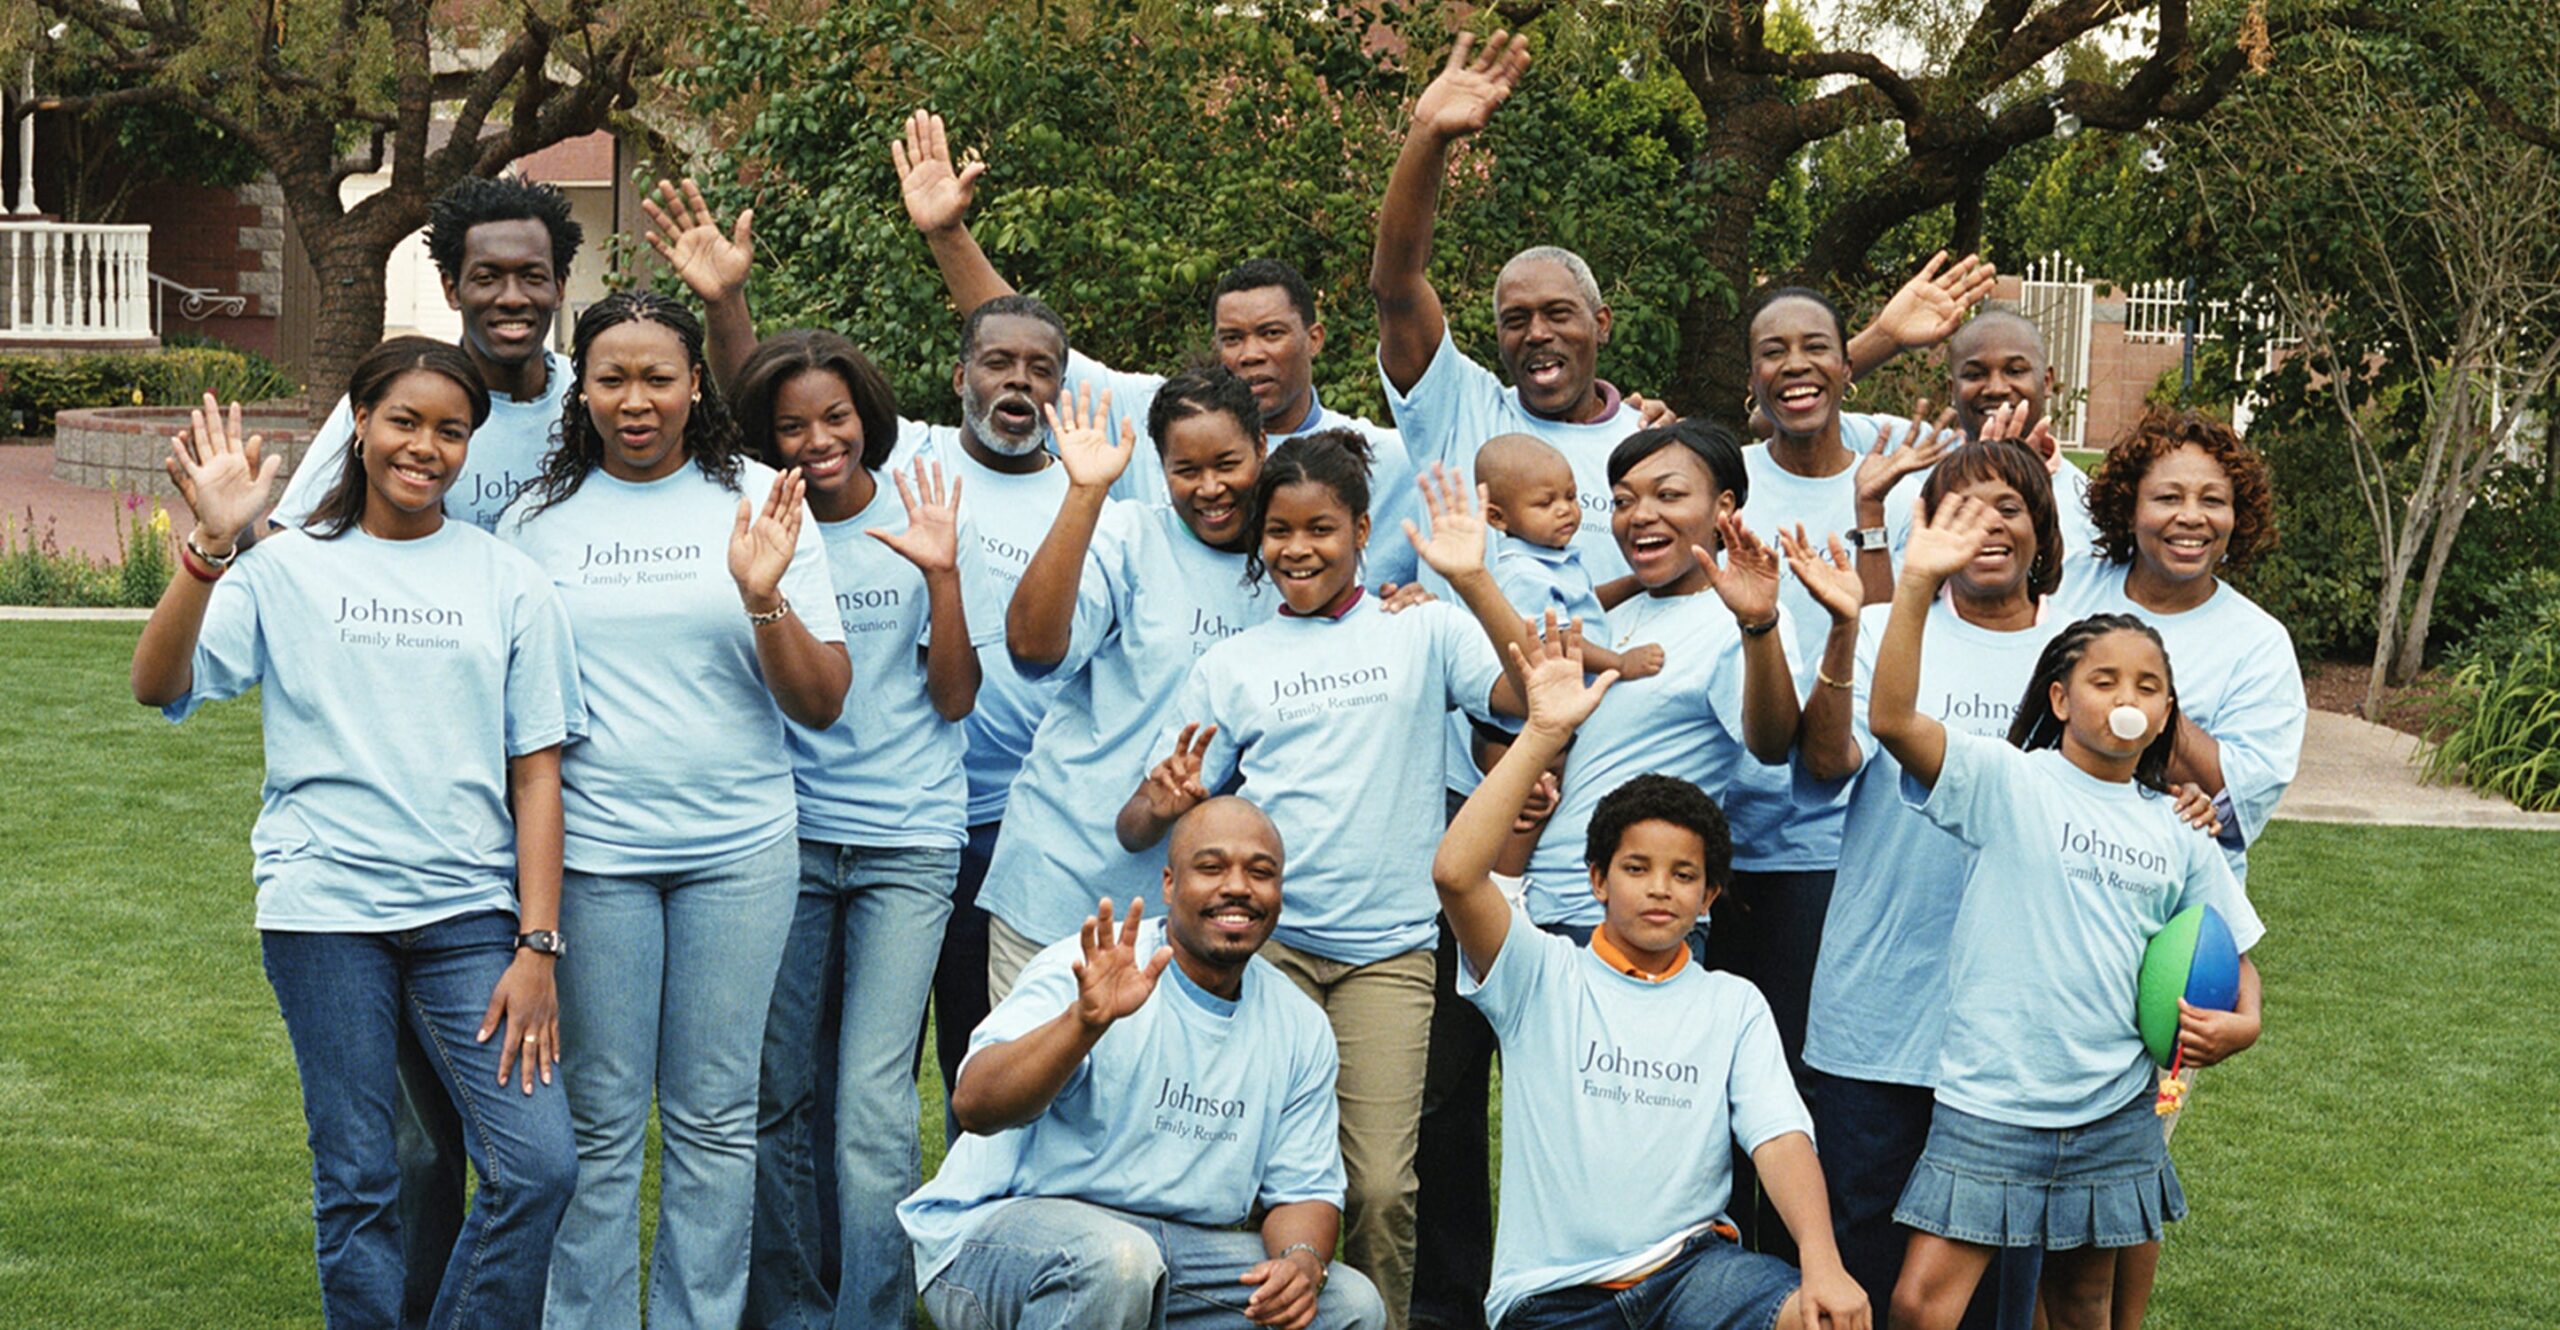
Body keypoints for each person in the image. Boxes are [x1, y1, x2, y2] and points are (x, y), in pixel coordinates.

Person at [130, 343, 582, 1329]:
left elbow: (537, 774)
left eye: (450, 429)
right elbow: (157, 684)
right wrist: (211, 549)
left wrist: (537, 943)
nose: (425, 446)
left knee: (539, 1165)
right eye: (405, 421)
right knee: (361, 1178)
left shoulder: (510, 580)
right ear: (362, 424)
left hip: (470, 916)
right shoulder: (284, 565)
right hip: (324, 913)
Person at [643, 179, 1081, 1099]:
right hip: (814, 822)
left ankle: (962, 1235)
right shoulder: (912, 461)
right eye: (996, 365)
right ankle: (818, 1250)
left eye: (1040, 370)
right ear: (960, 379)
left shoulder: (1094, 479)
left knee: (966, 1056)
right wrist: (725, 303)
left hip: (993, 819)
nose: (1018, 383)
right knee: (799, 1076)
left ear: (1063, 386)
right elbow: (779, 407)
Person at [1114, 440, 1537, 1326]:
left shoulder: (1420, 627)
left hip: (1388, 957)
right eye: (1279, 531)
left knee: (1380, 1185)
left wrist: (1472, 579)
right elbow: (1142, 822)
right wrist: (1159, 806)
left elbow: (1533, 693)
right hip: (1267, 958)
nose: (1297, 548)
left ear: (1361, 532)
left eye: (1320, 528)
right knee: (1239, 1175)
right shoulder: (1234, 662)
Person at [497, 290, 852, 1330]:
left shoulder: (761, 500)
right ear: (583, 387)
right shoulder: (535, 523)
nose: (635, 400)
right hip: (595, 859)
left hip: (739, 856)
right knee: (599, 1126)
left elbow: (823, 701)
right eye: (611, 377)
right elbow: (520, 724)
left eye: (659, 377)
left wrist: (762, 594)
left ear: (698, 383)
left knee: (714, 1123)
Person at [1865, 493, 2266, 1330]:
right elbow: (1893, 720)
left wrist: (2246, 1024)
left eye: (2149, 686)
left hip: (2114, 1105)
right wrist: (1913, 587)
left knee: (2082, 1300)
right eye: (2105, 679)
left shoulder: (2182, 830)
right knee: (1919, 1303)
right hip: (1994, 1100)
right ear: (2059, 699)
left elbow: (2231, 948)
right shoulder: (2008, 783)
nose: (2127, 697)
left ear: (2165, 714)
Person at [1430, 619, 1869, 1330]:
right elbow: (1456, 874)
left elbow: (1781, 1135)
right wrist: (1542, 734)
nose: (1660, 889)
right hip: (1554, 1296)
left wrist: (1822, 1262)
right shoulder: (1540, 974)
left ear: (1710, 896)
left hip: (1694, 1274)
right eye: (1636, 869)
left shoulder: (1732, 1003)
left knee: (1820, 1316)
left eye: (1684, 874)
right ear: (1598, 880)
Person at [727, 330, 999, 1329]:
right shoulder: (758, 521)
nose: (817, 440)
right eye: (790, 426)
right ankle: (794, 1307)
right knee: (777, 1092)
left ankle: (871, 1314)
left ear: (867, 415)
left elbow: (956, 696)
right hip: (785, 845)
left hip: (906, 846)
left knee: (873, 1105)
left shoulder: (917, 501)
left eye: (834, 417)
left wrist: (942, 575)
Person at [897, 799, 1389, 1330]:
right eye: (1211, 867)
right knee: (1117, 1260)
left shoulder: (1297, 1023)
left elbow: (1303, 1191)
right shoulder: (1086, 971)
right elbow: (975, 1105)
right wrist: (1083, 1024)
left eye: (1261, 872)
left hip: (1176, 1253)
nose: (1239, 887)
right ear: (1170, 884)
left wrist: (1300, 1261)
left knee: (1348, 1306)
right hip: (1005, 1234)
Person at [1781, 436, 2073, 1328]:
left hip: (2014, 1031)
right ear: (1922, 529)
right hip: (1877, 1015)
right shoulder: (1879, 631)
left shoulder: (2078, 657)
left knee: (1994, 1295)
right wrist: (1845, 631)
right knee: (1861, 1278)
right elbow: (1828, 762)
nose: (1986, 525)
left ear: (2042, 533)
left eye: (2009, 507)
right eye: (1960, 507)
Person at [890, 108, 1426, 586]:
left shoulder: (1386, 460)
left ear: (1315, 339)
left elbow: (1466, 531)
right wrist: (947, 234)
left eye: (1271, 333)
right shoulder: (1157, 412)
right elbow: (1022, 345)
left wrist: (1422, 599)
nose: (1250, 354)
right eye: (1232, 339)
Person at [2048, 407, 2301, 1326]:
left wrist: (2152, 686)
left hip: (2165, 940)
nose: (2191, 517)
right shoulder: (2075, 585)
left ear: (2241, 515)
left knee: (2130, 1160)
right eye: (2167, 497)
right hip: (2048, 911)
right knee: (2038, 1162)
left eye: (2214, 500)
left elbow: (2240, 797)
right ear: (2127, 505)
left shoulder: (2257, 643)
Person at [973, 366, 1286, 997]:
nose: (1210, 488)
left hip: (1193, 913)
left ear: (1262, 448)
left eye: (1228, 462)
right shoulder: (1130, 534)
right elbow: (1033, 649)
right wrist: (1086, 495)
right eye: (1185, 470)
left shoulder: (1291, 566)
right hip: (1061, 876)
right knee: (1026, 1087)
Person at [270, 175, 582, 535]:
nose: (512, 298)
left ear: (558, 288)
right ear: (452, 288)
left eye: (532, 277)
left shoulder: (594, 398)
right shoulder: (397, 395)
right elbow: (291, 536)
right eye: (487, 277)